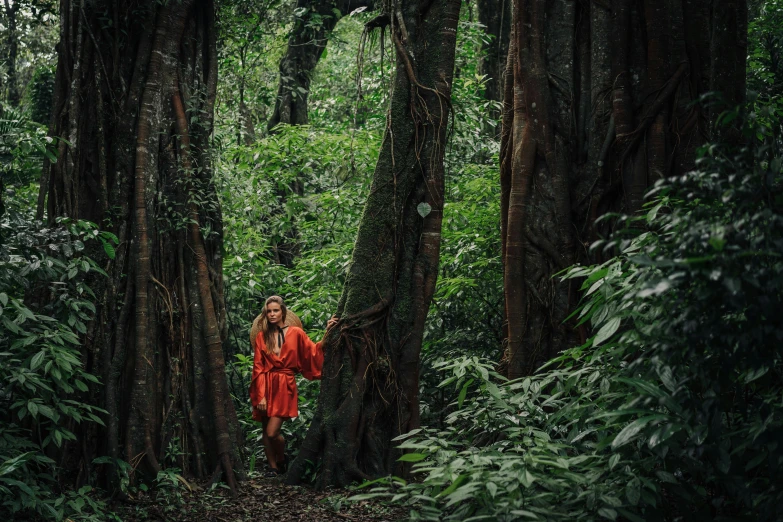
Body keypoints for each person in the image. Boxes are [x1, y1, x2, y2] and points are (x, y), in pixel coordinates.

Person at [249, 295, 337, 476]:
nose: (272, 314)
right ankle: (273, 467)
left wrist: (328, 331)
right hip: (265, 384)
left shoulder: (296, 333)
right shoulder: (261, 337)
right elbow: (257, 368)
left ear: (283, 312)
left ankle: (281, 458)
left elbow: (314, 351)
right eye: (269, 311)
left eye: (275, 310)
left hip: (284, 385)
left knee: (273, 432)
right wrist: (261, 395)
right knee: (265, 429)